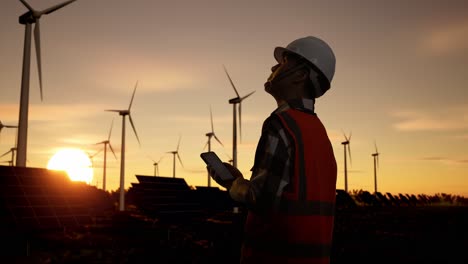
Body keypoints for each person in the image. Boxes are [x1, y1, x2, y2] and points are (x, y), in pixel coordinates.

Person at [208, 36, 338, 264]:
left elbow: (261, 200)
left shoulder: (282, 125)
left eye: (285, 61)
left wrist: (231, 182)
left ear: (301, 74)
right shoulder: (319, 133)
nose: (274, 67)